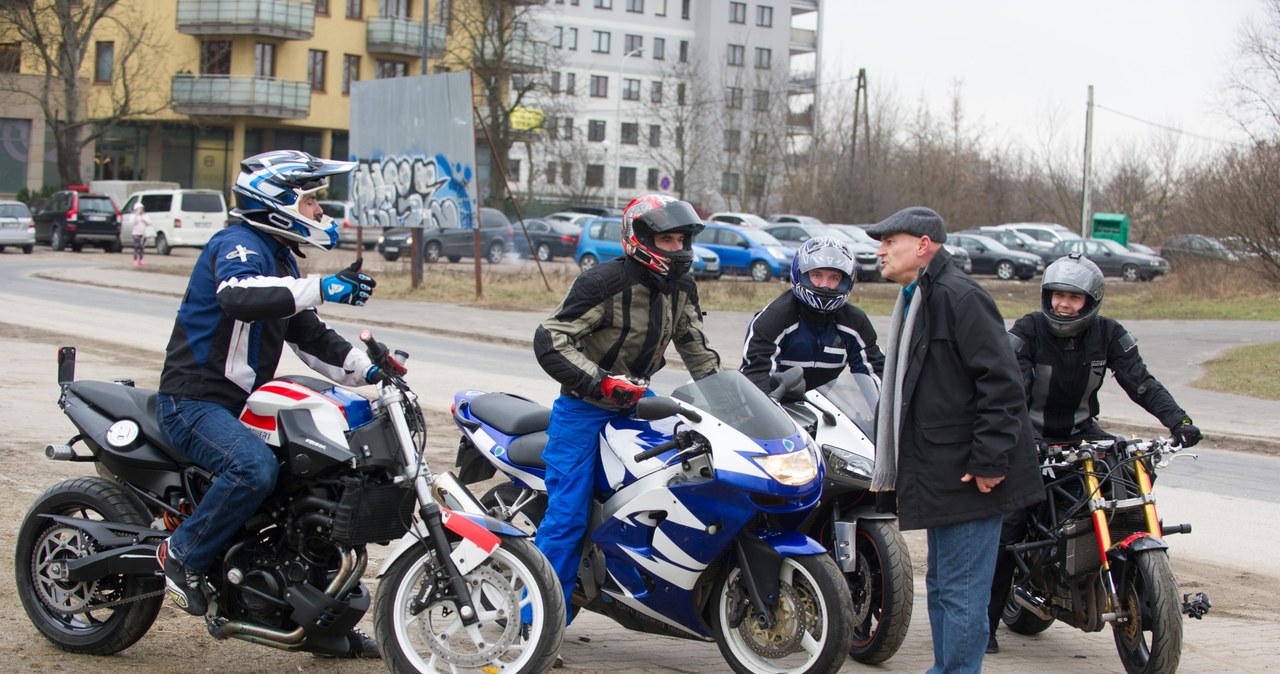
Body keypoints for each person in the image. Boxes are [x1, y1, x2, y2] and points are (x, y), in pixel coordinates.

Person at [154, 149, 382, 658]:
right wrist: (323, 286)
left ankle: (318, 623)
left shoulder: (278, 260)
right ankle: (181, 553)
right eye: (311, 201)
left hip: (230, 409)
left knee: (319, 485)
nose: (320, 212)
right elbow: (240, 295)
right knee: (253, 468)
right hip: (191, 403)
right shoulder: (237, 245)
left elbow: (311, 337)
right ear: (278, 201)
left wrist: (372, 370)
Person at [985, 253, 1202, 654]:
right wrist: (1022, 439)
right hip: (1030, 435)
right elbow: (1009, 389)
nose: (1063, 304)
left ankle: (1134, 576)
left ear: (1092, 300)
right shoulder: (1028, 331)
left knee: (1129, 481)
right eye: (1057, 296)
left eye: (1074, 297)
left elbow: (1141, 383)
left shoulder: (1109, 334)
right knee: (1010, 523)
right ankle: (986, 623)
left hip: (1082, 432)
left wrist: (1179, 421)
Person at [864, 206, 1043, 674]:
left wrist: (990, 462)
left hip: (972, 474)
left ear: (923, 246)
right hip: (944, 471)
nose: (880, 250)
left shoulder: (958, 297)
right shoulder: (918, 296)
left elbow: (1004, 385)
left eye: (890, 242)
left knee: (962, 593)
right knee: (944, 586)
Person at [533, 194, 721, 619]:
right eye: (667, 240)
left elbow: (699, 353)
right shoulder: (603, 283)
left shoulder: (682, 287)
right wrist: (601, 383)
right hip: (582, 409)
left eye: (681, 240)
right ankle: (537, 623)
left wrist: (732, 405)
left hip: (639, 402)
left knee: (690, 474)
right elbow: (550, 338)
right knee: (566, 519)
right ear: (639, 239)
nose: (677, 249)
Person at [740, 236, 884, 392]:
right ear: (800, 274)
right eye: (817, 275)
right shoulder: (773, 318)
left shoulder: (855, 322)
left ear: (846, 281)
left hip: (825, 408)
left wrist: (881, 412)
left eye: (834, 278)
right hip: (777, 408)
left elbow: (877, 374)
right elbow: (756, 378)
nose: (825, 285)